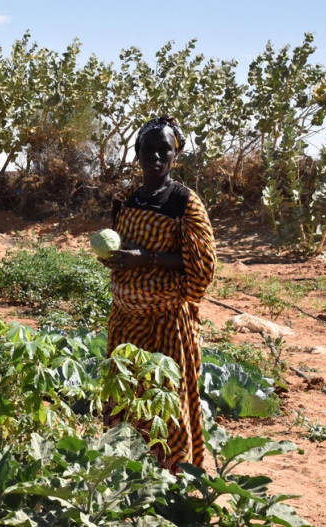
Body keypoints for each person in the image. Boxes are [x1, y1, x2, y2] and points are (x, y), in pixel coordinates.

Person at [98, 115, 216, 471]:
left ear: (175, 154)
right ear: (137, 154)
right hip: (124, 322)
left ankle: (172, 480)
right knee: (124, 397)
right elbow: (121, 249)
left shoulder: (184, 203)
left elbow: (201, 267)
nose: (156, 157)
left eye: (164, 149)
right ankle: (123, 472)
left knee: (166, 403)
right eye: (148, 150)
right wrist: (117, 261)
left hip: (167, 324)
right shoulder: (126, 200)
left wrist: (145, 258)